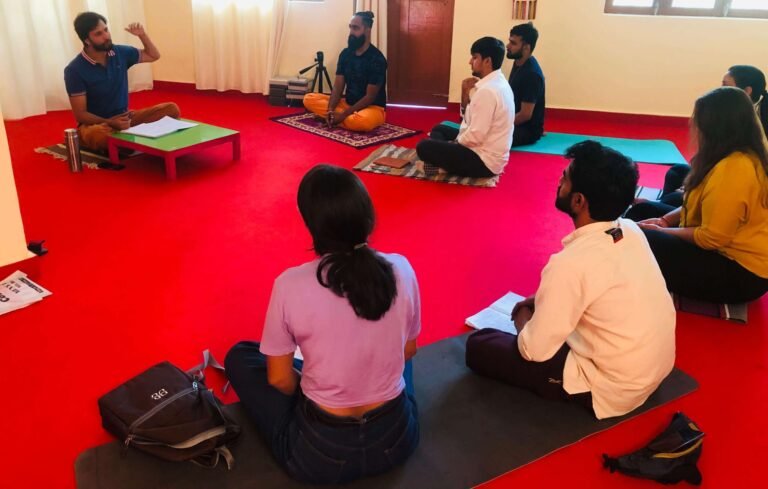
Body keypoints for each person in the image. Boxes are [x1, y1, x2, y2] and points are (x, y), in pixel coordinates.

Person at [225, 165, 420, 485]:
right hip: (396, 441)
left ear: (312, 225)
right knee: (400, 357)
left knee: (240, 357)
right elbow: (409, 350)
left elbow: (279, 380)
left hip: (320, 456)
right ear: (368, 215)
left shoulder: (290, 284)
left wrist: (315, 383)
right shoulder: (402, 268)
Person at [466, 141, 676, 420]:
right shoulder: (630, 230)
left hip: (614, 389)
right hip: (655, 368)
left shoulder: (570, 264)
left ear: (578, 201)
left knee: (479, 346)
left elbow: (533, 351)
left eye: (564, 178)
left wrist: (523, 316)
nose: (559, 181)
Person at [636, 87, 768, 304]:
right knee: (644, 211)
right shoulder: (729, 155)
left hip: (740, 273)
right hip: (720, 246)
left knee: (642, 237)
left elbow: (711, 238)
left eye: (697, 119)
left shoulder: (735, 169)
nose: (692, 123)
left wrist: (661, 231)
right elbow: (695, 203)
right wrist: (665, 220)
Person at [627, 65, 768, 220]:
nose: (721, 89)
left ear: (747, 91)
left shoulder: (738, 153)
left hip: (710, 221)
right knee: (677, 172)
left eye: (725, 85)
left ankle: (661, 207)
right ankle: (663, 205)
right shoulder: (741, 121)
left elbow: (712, 230)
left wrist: (689, 194)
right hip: (705, 199)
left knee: (645, 209)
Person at [64, 12, 180, 152]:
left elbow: (153, 55)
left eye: (106, 30)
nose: (106, 36)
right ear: (87, 40)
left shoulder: (119, 52)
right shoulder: (74, 70)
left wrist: (142, 35)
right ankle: (108, 140)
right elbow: (80, 114)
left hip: (125, 118)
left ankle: (123, 139)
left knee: (171, 109)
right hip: (98, 125)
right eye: (98, 34)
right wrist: (110, 122)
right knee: (98, 135)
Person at [416, 37, 514, 178]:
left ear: (487, 61)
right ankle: (443, 162)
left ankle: (441, 167)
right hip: (485, 149)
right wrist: (465, 94)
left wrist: (455, 143)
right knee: (439, 129)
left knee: (423, 147)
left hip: (484, 162)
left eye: (474, 57)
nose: (470, 62)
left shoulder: (488, 91)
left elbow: (476, 135)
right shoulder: (498, 81)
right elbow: (468, 121)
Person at [303, 11, 387, 132]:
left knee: (362, 122)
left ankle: (339, 118)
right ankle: (334, 117)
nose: (351, 32)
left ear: (367, 30)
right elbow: (338, 87)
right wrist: (330, 110)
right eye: (350, 27)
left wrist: (342, 115)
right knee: (308, 98)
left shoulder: (377, 59)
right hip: (347, 104)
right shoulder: (345, 54)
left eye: (355, 28)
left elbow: (370, 97)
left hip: (372, 108)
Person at [506, 22, 546, 147]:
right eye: (509, 41)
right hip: (514, 122)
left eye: (513, 43)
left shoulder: (532, 74)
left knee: (486, 137)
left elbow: (525, 115)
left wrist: (500, 125)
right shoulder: (519, 62)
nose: (508, 46)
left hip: (527, 131)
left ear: (526, 48)